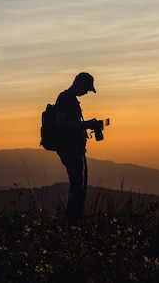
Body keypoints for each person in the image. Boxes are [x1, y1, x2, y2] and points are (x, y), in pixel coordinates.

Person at [54, 72, 98, 225]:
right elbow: (61, 123)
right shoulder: (65, 98)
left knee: (77, 184)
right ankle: (72, 220)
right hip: (69, 149)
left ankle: (74, 218)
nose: (86, 93)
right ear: (79, 84)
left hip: (74, 148)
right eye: (86, 89)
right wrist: (85, 125)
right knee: (77, 185)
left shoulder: (71, 99)